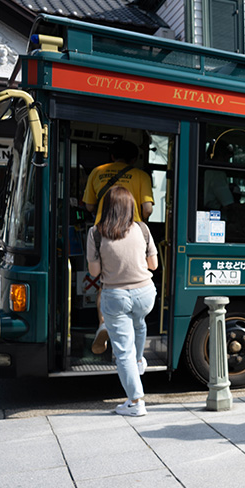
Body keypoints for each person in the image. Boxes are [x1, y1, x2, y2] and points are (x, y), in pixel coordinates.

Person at [86, 186, 158, 417]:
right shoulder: (143, 229)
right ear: (131, 207)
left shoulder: (96, 233)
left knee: (122, 352)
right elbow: (153, 265)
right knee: (139, 321)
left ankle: (136, 402)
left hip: (115, 296)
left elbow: (94, 272)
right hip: (145, 293)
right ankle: (139, 361)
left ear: (106, 207)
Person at [83, 139, 154, 354]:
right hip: (133, 234)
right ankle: (128, 344)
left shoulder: (97, 172)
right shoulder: (141, 175)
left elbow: (88, 205)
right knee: (135, 284)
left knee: (106, 283)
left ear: (112, 157)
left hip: (102, 234)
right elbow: (148, 209)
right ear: (134, 159)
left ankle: (104, 324)